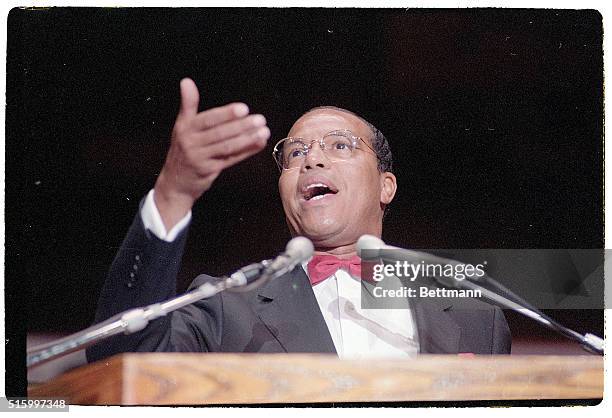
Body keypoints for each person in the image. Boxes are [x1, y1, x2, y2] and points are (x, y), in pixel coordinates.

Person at [86, 79, 511, 362]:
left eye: (340, 146)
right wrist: (172, 194)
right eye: (295, 153)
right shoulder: (224, 307)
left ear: (386, 187)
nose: (313, 160)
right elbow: (123, 357)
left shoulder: (477, 318)